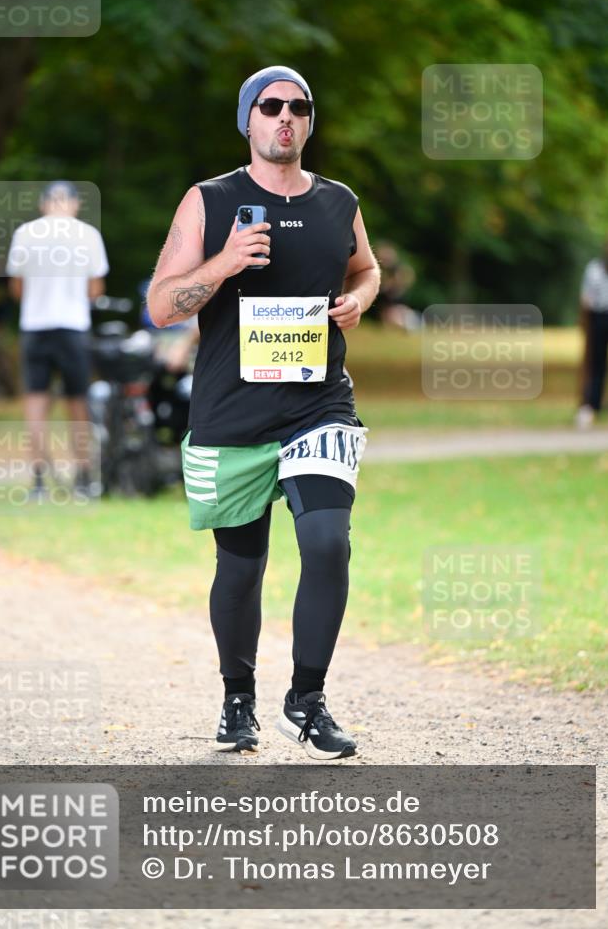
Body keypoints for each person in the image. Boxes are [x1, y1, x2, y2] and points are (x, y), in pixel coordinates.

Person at [147, 66, 381, 760]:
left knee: (327, 542)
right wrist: (221, 265)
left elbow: (364, 268)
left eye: (298, 106)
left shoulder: (338, 202)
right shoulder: (210, 201)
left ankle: (305, 701)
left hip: (318, 406)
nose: (285, 116)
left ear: (309, 121)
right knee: (240, 567)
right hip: (232, 414)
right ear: (247, 120)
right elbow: (161, 307)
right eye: (270, 106)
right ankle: (236, 698)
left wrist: (358, 301)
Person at [7, 181, 109, 496]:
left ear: (43, 204)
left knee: (36, 402)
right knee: (76, 401)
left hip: (35, 326)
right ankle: (83, 475)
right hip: (72, 326)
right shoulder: (87, 235)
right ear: (75, 204)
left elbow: (16, 288)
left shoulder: (25, 234)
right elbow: (95, 289)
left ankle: (38, 479)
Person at [575, 229, 608, 430]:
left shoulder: (596, 268)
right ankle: (591, 406)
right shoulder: (596, 268)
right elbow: (586, 298)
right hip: (600, 318)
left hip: (605, 317)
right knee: (597, 364)